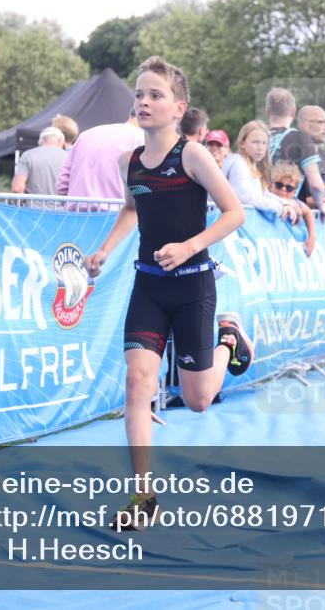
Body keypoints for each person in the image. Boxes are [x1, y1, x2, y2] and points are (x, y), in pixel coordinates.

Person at [84, 56, 253, 530]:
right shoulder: (129, 161)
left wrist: (190, 246)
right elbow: (131, 210)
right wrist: (104, 250)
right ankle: (142, 496)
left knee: (198, 399)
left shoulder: (194, 155)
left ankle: (229, 341)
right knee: (138, 384)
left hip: (194, 285)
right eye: (139, 94)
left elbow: (234, 212)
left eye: (155, 94)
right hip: (148, 287)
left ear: (179, 107)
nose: (144, 101)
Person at [56, 110, 145, 209]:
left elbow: (63, 183)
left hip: (76, 214)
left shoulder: (86, 134)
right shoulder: (144, 140)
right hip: (117, 216)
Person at [221, 120, 299, 223]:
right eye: (255, 142)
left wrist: (284, 203)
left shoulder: (250, 164)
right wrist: (280, 208)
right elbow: (247, 197)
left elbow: (261, 194)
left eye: (264, 143)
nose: (260, 148)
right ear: (242, 143)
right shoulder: (239, 164)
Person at [265, 89, 325, 214]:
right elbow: (316, 184)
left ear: (267, 112)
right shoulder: (301, 137)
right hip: (283, 212)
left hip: (253, 209)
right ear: (293, 113)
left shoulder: (255, 137)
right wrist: (321, 205)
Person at [268, 161, 316, 256]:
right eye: (279, 185)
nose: (283, 189)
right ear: (270, 185)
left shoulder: (295, 202)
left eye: (289, 188)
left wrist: (312, 238)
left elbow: (308, 213)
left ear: (294, 192)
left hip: (291, 246)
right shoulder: (265, 200)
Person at [12, 127, 68, 203]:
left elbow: (17, 188)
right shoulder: (69, 157)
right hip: (62, 212)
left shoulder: (28, 155)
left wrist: (19, 206)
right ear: (61, 141)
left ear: (40, 141)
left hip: (33, 211)